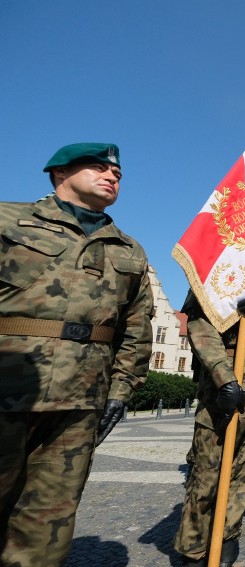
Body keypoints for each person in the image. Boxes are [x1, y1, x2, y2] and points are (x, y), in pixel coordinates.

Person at [0, 143, 153, 567]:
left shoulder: (128, 250)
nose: (112, 176)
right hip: (9, 386)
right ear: (59, 172)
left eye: (118, 174)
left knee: (48, 520)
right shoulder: (8, 219)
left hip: (80, 402)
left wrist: (120, 392)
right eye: (99, 167)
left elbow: (135, 332)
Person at [174, 288, 245, 566]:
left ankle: (227, 531)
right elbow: (199, 325)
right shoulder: (217, 268)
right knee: (208, 472)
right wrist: (224, 378)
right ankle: (194, 546)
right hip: (227, 381)